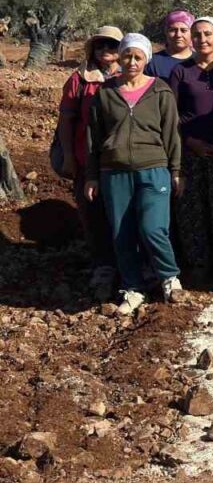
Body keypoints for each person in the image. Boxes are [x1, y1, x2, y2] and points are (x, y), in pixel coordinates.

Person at [85, 33, 183, 316]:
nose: (131, 61)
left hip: (153, 168)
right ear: (120, 57)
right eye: (127, 55)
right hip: (114, 172)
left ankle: (169, 277)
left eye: (138, 57)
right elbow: (93, 138)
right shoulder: (105, 93)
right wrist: (92, 175)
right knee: (121, 233)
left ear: (146, 60)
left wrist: (175, 170)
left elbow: (172, 135)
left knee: (154, 228)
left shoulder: (160, 91)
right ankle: (133, 287)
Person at [169, 16, 213, 288]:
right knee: (192, 211)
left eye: (208, 34)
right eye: (197, 35)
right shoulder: (181, 71)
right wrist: (190, 141)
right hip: (191, 152)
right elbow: (171, 115)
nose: (202, 39)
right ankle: (198, 267)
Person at [57, 25, 122, 301]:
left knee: (123, 213)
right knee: (93, 214)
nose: (106, 51)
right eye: (100, 45)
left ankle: (128, 264)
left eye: (112, 45)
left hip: (122, 161)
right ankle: (102, 267)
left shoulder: (133, 74)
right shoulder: (79, 80)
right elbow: (66, 120)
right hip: (87, 160)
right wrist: (69, 156)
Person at [145, 10, 195, 80]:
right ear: (166, 31)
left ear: (192, 33)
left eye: (183, 30)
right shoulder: (152, 63)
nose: (178, 35)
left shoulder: (201, 60)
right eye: (173, 30)